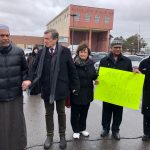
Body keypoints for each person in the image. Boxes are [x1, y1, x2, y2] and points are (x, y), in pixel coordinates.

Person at [29, 29, 80, 149]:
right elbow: (33, 68)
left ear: (55, 39)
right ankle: (49, 136)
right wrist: (29, 80)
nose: (45, 41)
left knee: (61, 113)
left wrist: (75, 86)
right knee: (48, 113)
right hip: (46, 88)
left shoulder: (65, 52)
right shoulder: (41, 53)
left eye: (47, 39)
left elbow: (72, 70)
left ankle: (62, 136)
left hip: (61, 88)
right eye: (44, 38)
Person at [0, 24, 31, 150]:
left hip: (15, 95)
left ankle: (19, 146)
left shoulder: (18, 52)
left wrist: (27, 80)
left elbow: (26, 70)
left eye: (7, 35)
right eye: (2, 35)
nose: (5, 38)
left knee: (16, 123)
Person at [98, 37, 132, 140]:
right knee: (106, 111)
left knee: (118, 112)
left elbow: (129, 76)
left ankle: (116, 130)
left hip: (119, 92)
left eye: (120, 47)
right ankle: (105, 129)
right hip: (107, 91)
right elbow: (99, 75)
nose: (118, 49)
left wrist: (134, 75)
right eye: (116, 47)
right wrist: (97, 80)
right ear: (111, 48)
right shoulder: (104, 60)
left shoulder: (127, 61)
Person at [70, 43, 97, 139]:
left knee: (84, 113)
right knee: (75, 113)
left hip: (87, 92)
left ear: (88, 53)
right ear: (78, 53)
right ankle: (76, 130)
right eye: (81, 52)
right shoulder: (73, 64)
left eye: (85, 52)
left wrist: (96, 79)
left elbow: (93, 75)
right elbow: (70, 78)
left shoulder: (91, 63)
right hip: (76, 92)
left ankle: (82, 129)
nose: (83, 54)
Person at [139, 56, 150, 141]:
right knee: (147, 115)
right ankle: (146, 133)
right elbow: (138, 78)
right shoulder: (144, 63)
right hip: (147, 94)